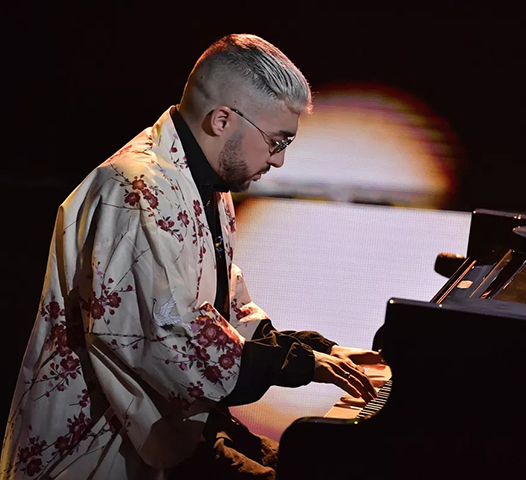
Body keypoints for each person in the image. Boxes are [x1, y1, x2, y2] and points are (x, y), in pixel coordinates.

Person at [0, 33, 382, 480]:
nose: (278, 161)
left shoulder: (203, 181)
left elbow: (222, 311)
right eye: (277, 142)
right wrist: (298, 363)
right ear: (222, 120)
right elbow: (169, 337)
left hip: (163, 431)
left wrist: (318, 349)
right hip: (94, 448)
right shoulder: (137, 189)